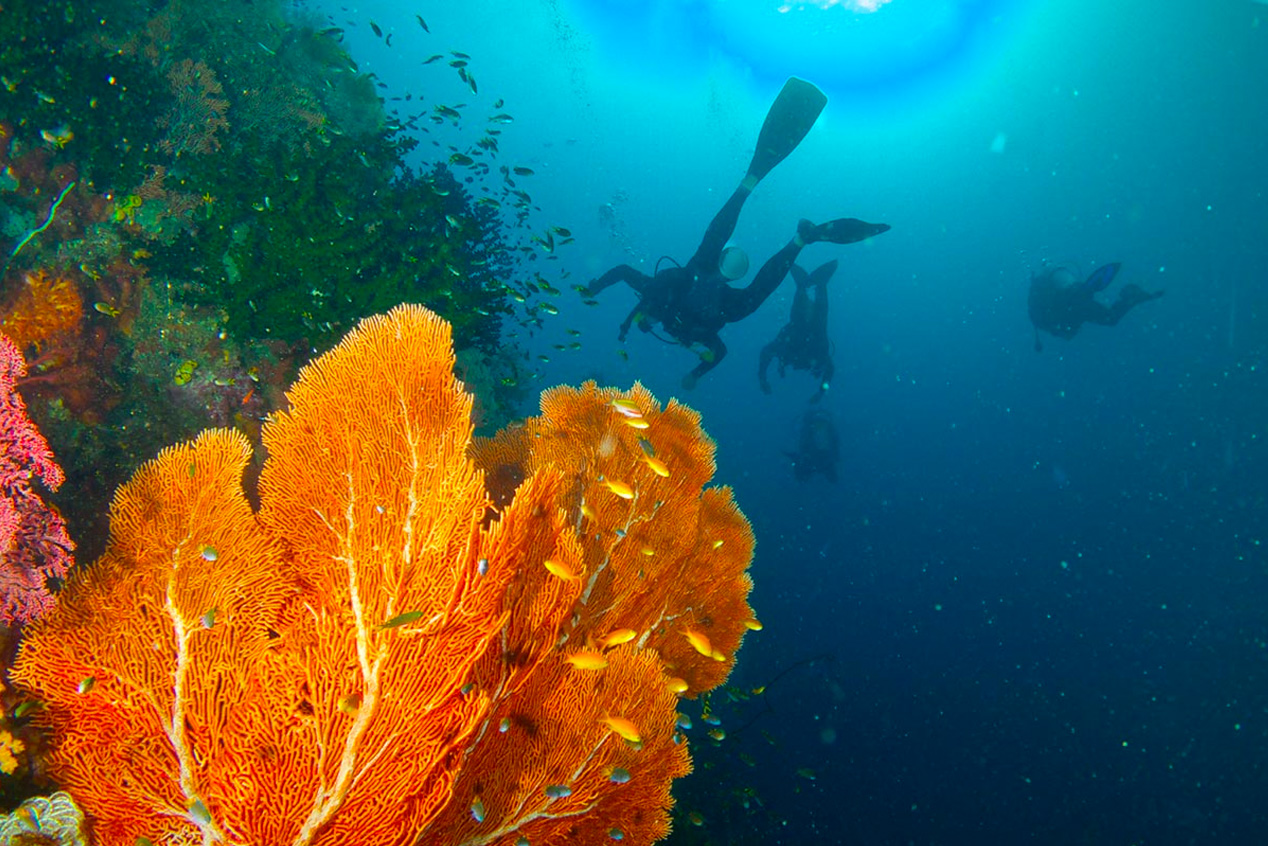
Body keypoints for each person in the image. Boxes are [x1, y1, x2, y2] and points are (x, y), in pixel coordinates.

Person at [584, 77, 890, 389]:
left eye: (646, 320)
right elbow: (718, 352)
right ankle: (786, 224)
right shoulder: (677, 321)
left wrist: (597, 289)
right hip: (716, 290)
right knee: (738, 288)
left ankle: (777, 215)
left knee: (731, 276)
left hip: (701, 277)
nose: (651, 322)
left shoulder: (658, 296)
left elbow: (624, 273)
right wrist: (695, 373)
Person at [1028, 261, 1164, 352]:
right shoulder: (1041, 303)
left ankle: (1131, 295)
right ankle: (1131, 295)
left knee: (1110, 318)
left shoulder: (1042, 309)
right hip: (1074, 303)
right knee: (1109, 318)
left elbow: (1050, 319)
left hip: (1072, 306)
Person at [759, 259, 837, 401]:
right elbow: (829, 370)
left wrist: (762, 378)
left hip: (803, 330)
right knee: (815, 316)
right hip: (810, 332)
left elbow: (766, 352)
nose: (797, 366)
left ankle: (813, 284)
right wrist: (821, 392)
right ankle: (812, 284)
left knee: (813, 316)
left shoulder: (787, 352)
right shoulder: (810, 356)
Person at [785, 407, 840, 483]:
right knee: (832, 479)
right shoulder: (827, 429)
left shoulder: (809, 430)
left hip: (818, 457)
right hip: (820, 458)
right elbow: (835, 444)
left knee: (802, 478)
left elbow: (803, 444)